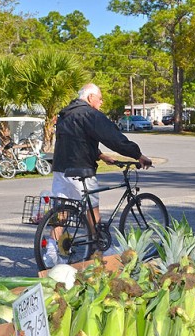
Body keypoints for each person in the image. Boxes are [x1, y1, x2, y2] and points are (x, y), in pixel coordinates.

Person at [48, 83, 152, 261]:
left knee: (61, 213)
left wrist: (101, 155)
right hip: (81, 169)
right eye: (100, 98)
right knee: (92, 210)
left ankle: (51, 252)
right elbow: (114, 138)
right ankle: (101, 249)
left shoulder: (65, 113)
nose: (102, 102)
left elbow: (76, 140)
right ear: (90, 98)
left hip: (60, 169)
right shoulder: (90, 114)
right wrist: (138, 154)